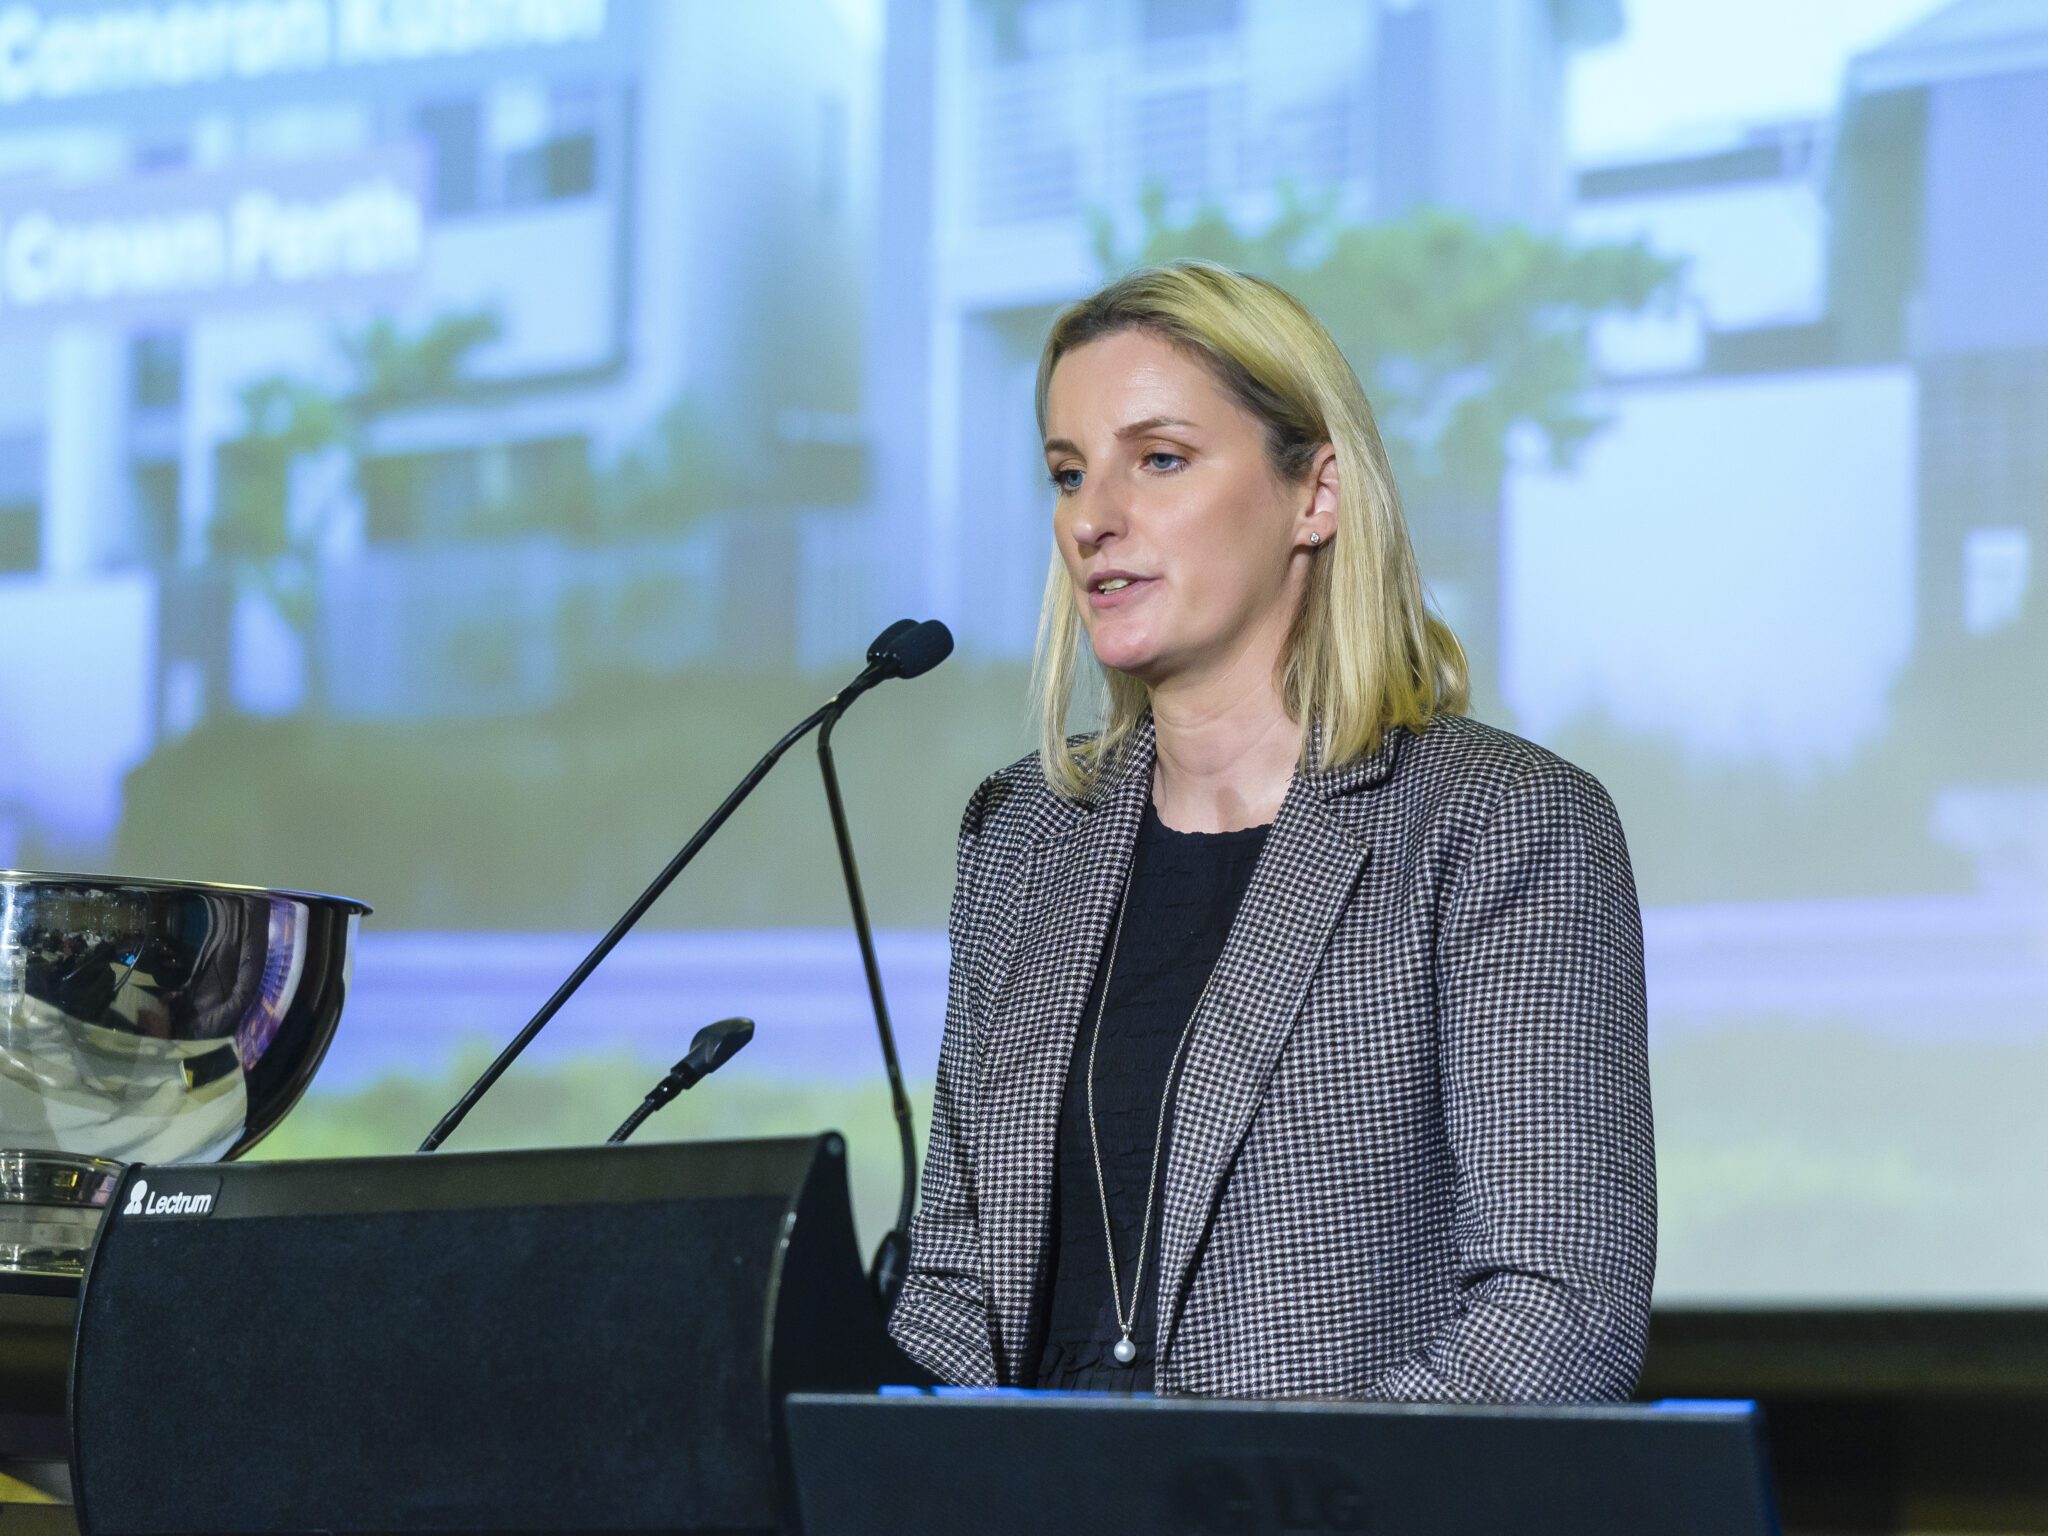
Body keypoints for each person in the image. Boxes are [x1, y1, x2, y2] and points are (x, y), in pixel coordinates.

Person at [886, 261, 1655, 1400]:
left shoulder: (1497, 824)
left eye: (1158, 459)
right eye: (1068, 473)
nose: (1091, 519)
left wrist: (1250, 1484)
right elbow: (954, 1290)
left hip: (1320, 1492)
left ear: (1315, 495)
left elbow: (1558, 1315)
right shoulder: (1020, 837)